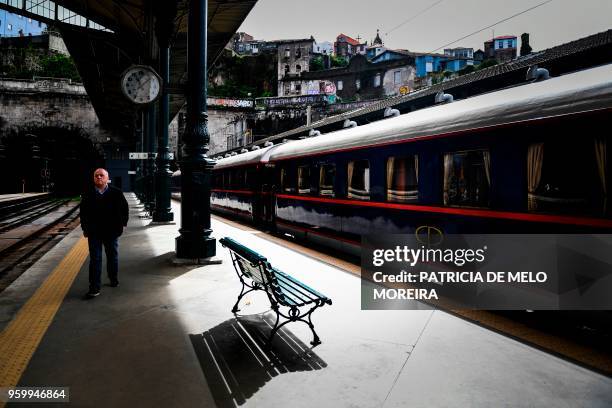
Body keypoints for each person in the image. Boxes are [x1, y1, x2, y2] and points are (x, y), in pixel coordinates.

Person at [80, 168, 129, 298]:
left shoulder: (116, 193)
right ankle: (94, 287)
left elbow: (125, 209)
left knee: (112, 256)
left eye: (102, 175)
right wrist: (85, 228)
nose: (99, 177)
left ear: (107, 178)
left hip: (112, 232)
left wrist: (123, 224)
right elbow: (83, 213)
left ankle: (113, 278)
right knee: (95, 259)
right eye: (96, 176)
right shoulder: (88, 194)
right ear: (93, 178)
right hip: (94, 232)